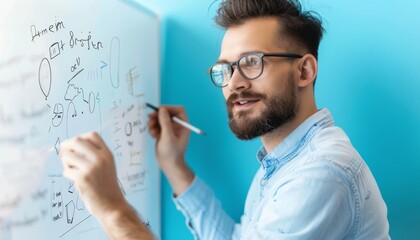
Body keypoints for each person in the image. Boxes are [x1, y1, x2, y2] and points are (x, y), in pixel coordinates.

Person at [60, 0, 390, 239]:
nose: (234, 83)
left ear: (304, 70)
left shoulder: (320, 173)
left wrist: (112, 209)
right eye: (226, 69)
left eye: (251, 62)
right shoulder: (283, 162)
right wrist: (176, 168)